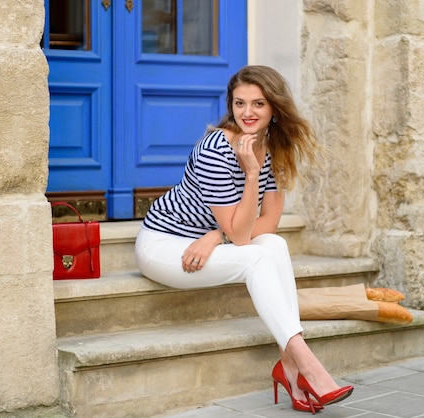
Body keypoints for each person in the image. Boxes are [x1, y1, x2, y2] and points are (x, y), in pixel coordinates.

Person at [135, 65, 353, 414]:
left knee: (275, 246)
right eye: (239, 104)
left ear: (274, 109)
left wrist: (215, 235)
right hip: (164, 244)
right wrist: (251, 175)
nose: (247, 113)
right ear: (230, 105)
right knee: (257, 256)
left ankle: (291, 366)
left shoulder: (277, 150)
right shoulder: (216, 149)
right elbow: (241, 236)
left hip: (210, 243)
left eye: (258, 104)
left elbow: (268, 225)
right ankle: (305, 364)